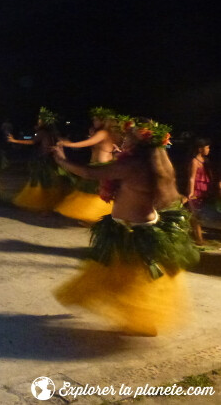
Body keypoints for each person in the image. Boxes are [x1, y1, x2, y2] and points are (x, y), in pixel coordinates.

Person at [52, 117, 197, 336]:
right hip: (141, 224)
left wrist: (62, 159)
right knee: (125, 277)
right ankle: (141, 321)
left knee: (130, 281)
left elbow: (91, 173)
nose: (125, 137)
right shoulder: (157, 161)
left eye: (129, 135)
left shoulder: (132, 165)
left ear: (140, 142)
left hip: (132, 231)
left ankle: (143, 323)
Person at [53, 107, 119, 223]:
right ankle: (95, 218)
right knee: (90, 191)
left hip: (102, 166)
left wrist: (70, 144)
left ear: (103, 121)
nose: (94, 122)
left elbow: (88, 143)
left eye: (96, 120)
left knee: (97, 193)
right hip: (95, 165)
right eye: (93, 120)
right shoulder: (100, 133)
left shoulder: (103, 133)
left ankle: (99, 217)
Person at [8, 107, 67, 213]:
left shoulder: (43, 132)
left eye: (40, 119)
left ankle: (45, 207)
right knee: (48, 184)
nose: (38, 121)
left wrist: (15, 140)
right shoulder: (52, 133)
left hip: (43, 161)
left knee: (42, 184)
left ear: (44, 122)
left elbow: (32, 142)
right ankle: (48, 207)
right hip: (50, 160)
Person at [186, 138, 215, 245]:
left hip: (205, 189)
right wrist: (191, 192)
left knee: (198, 214)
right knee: (195, 214)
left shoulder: (206, 161)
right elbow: (191, 178)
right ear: (200, 149)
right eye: (207, 147)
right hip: (196, 190)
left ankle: (197, 237)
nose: (209, 149)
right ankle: (199, 238)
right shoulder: (194, 161)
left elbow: (209, 175)